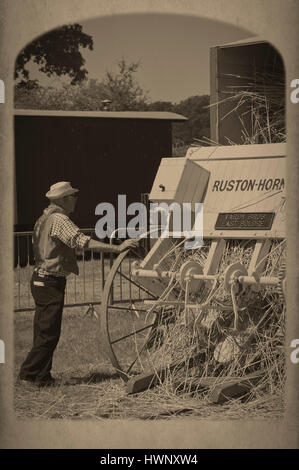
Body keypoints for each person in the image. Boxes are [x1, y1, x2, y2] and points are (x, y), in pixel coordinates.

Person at [19, 181, 139, 387]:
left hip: (40, 279)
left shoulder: (44, 218)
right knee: (48, 333)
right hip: (50, 280)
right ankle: (28, 375)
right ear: (64, 199)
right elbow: (83, 242)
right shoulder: (60, 219)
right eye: (73, 196)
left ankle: (42, 377)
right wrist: (117, 248)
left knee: (43, 331)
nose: (76, 199)